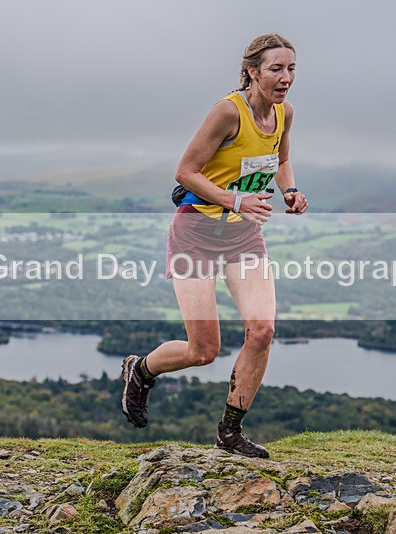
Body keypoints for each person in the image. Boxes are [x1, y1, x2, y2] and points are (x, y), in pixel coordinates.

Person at [121, 34, 308, 458]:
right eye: (276, 69)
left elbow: (279, 161)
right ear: (252, 71)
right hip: (196, 233)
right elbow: (185, 172)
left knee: (262, 329)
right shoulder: (227, 112)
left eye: (291, 69)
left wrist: (291, 190)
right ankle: (141, 369)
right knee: (203, 350)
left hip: (243, 236)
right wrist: (235, 198)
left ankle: (230, 431)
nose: (285, 78)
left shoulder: (285, 114)